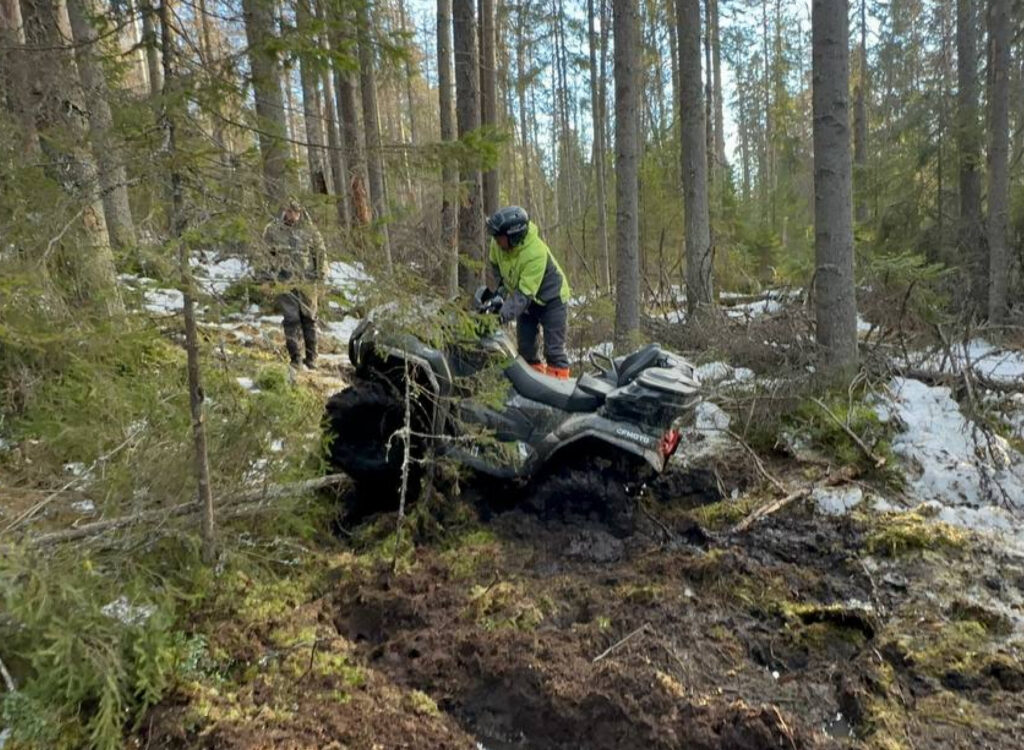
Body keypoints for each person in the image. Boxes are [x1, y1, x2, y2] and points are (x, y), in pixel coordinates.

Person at [486, 206, 572, 378]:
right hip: (527, 300)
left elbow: (523, 296)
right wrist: (500, 292)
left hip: (552, 300)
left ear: (514, 236)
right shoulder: (497, 244)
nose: (496, 242)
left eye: (501, 238)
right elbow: (496, 267)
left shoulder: (535, 253)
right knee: (526, 351)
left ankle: (560, 391)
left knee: (554, 352)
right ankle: (533, 390)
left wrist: (500, 316)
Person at [261, 200, 327, 370]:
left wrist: (321, 276)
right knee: (291, 320)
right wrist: (267, 277)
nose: (292, 215)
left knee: (309, 319)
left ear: (300, 212)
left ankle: (312, 358)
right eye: (289, 211)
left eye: (296, 212)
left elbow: (320, 253)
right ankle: (295, 358)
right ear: (284, 210)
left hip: (308, 282)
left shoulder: (311, 230)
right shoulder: (273, 230)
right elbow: (265, 254)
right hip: (285, 281)